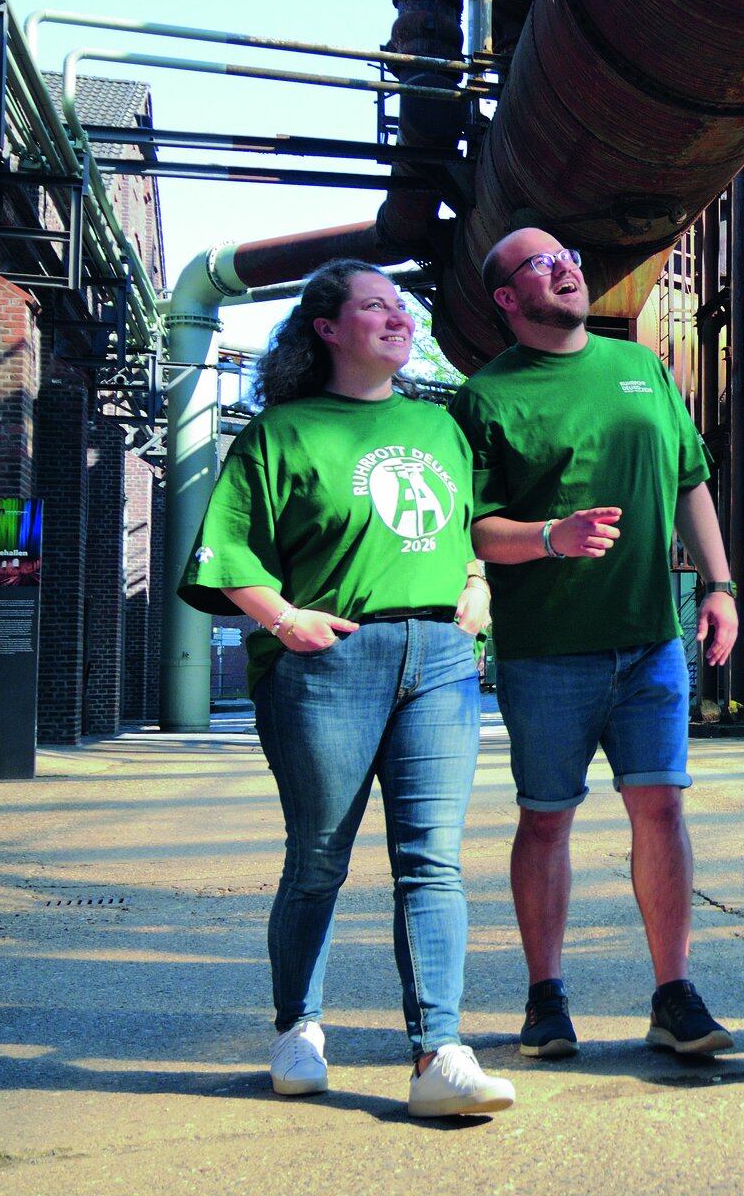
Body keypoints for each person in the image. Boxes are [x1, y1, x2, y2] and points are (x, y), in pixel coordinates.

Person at [178, 259, 514, 1118]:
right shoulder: (280, 432)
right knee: (320, 858)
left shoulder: (441, 428)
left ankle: (439, 1053)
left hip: (440, 659)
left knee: (432, 860)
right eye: (376, 307)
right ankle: (298, 1028)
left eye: (401, 307)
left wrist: (477, 584)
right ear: (327, 329)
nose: (398, 319)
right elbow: (227, 552)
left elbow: (467, 526)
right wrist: (287, 623)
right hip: (328, 659)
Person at [449, 227, 740, 1059]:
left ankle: (673, 993)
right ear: (507, 299)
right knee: (546, 820)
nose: (566, 263)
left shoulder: (641, 367)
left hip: (651, 642)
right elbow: (472, 528)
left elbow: (690, 482)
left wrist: (718, 587)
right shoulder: (485, 399)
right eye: (540, 262)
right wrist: (551, 537)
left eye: (566, 253)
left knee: (662, 808)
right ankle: (545, 998)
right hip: (546, 653)